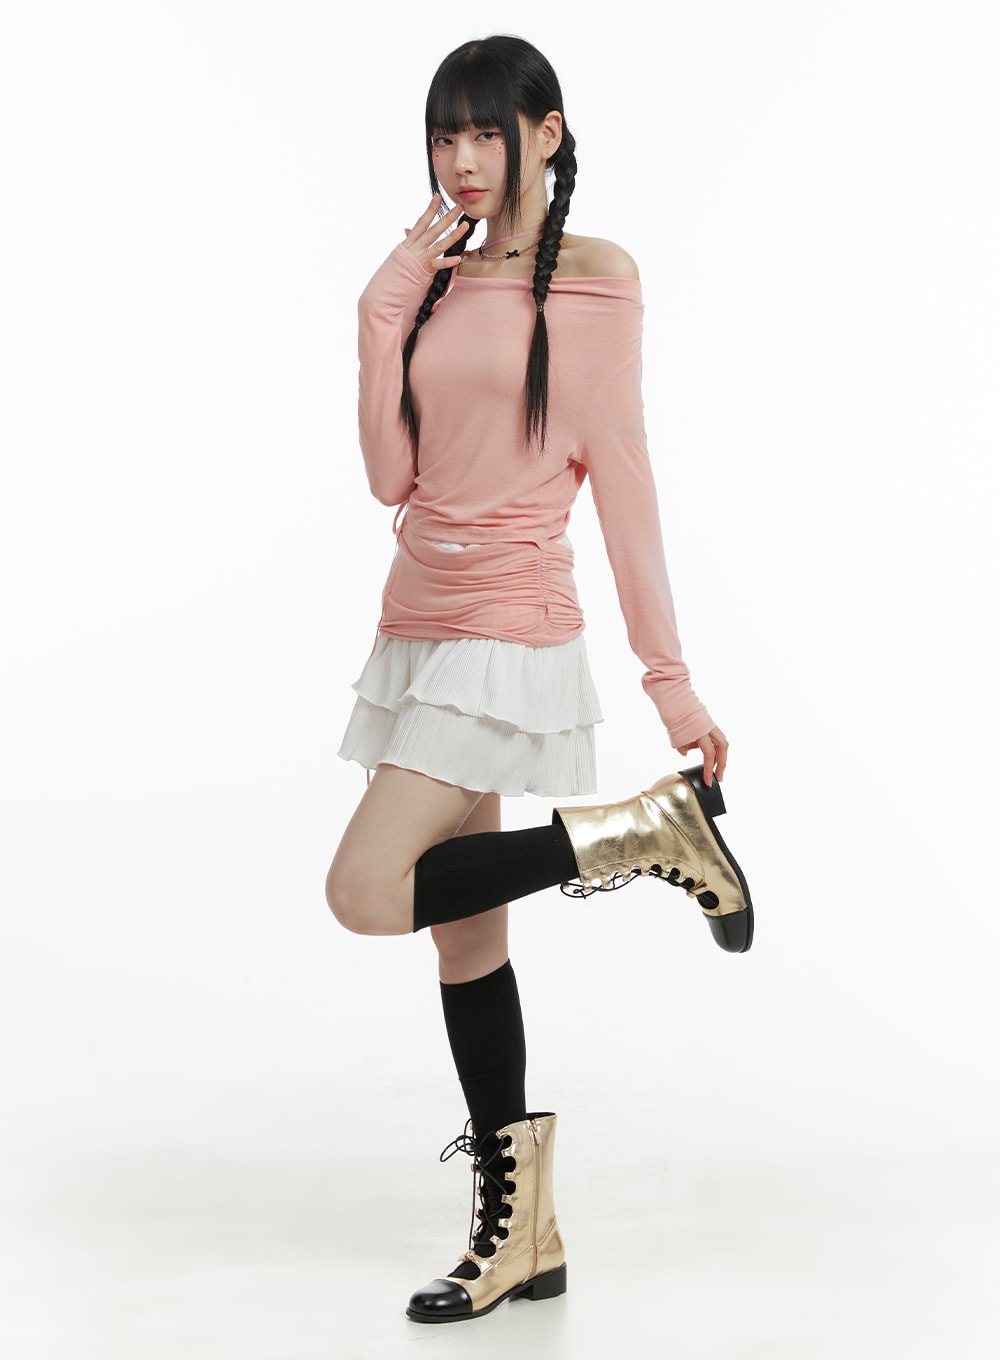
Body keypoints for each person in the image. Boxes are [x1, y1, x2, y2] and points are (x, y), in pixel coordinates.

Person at [325, 34, 753, 1324]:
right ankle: (523, 1235)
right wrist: (385, 308)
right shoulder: (436, 281)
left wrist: (671, 684)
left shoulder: (597, 281)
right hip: (418, 625)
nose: (462, 160)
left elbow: (625, 485)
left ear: (546, 132)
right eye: (442, 136)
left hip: (508, 633)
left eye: (485, 131)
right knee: (466, 942)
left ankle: (642, 833)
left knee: (365, 891)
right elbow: (391, 480)